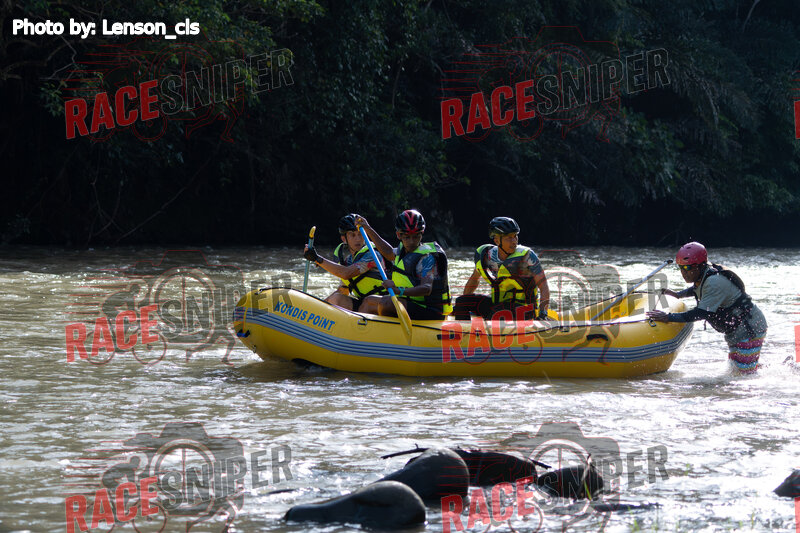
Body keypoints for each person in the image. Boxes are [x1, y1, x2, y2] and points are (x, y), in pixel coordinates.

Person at [646, 241, 767, 373]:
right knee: (737, 368)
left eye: (688, 268)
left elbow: (700, 313)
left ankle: (775, 373)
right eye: (680, 267)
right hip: (736, 331)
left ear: (701, 265)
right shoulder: (704, 275)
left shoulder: (714, 281)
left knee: (744, 373)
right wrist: (678, 295)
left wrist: (668, 317)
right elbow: (697, 289)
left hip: (749, 329)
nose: (684, 272)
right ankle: (773, 368)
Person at [357, 210, 452, 320]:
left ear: (421, 234)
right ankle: (360, 327)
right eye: (407, 237)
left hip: (431, 310)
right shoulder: (402, 251)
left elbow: (426, 288)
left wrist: (398, 290)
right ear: (398, 235)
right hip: (411, 304)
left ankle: (388, 327)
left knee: (387, 303)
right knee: (368, 301)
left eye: (416, 237)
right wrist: (368, 228)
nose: (412, 242)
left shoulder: (427, 258)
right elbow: (388, 252)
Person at [453, 217, 550, 321]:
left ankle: (489, 325)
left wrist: (543, 313)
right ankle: (463, 328)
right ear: (497, 240)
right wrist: (463, 307)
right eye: (509, 237)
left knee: (498, 311)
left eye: (515, 236)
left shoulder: (527, 256)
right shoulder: (486, 256)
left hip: (525, 310)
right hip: (498, 306)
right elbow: (474, 279)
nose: (514, 241)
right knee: (461, 302)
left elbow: (543, 286)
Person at [303, 213, 387, 312]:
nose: (358, 239)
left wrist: (317, 259)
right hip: (364, 305)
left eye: (360, 234)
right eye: (352, 235)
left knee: (366, 302)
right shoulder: (349, 261)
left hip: (383, 304)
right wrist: (315, 309)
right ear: (344, 239)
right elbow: (343, 290)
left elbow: (346, 273)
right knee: (336, 298)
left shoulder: (372, 255)